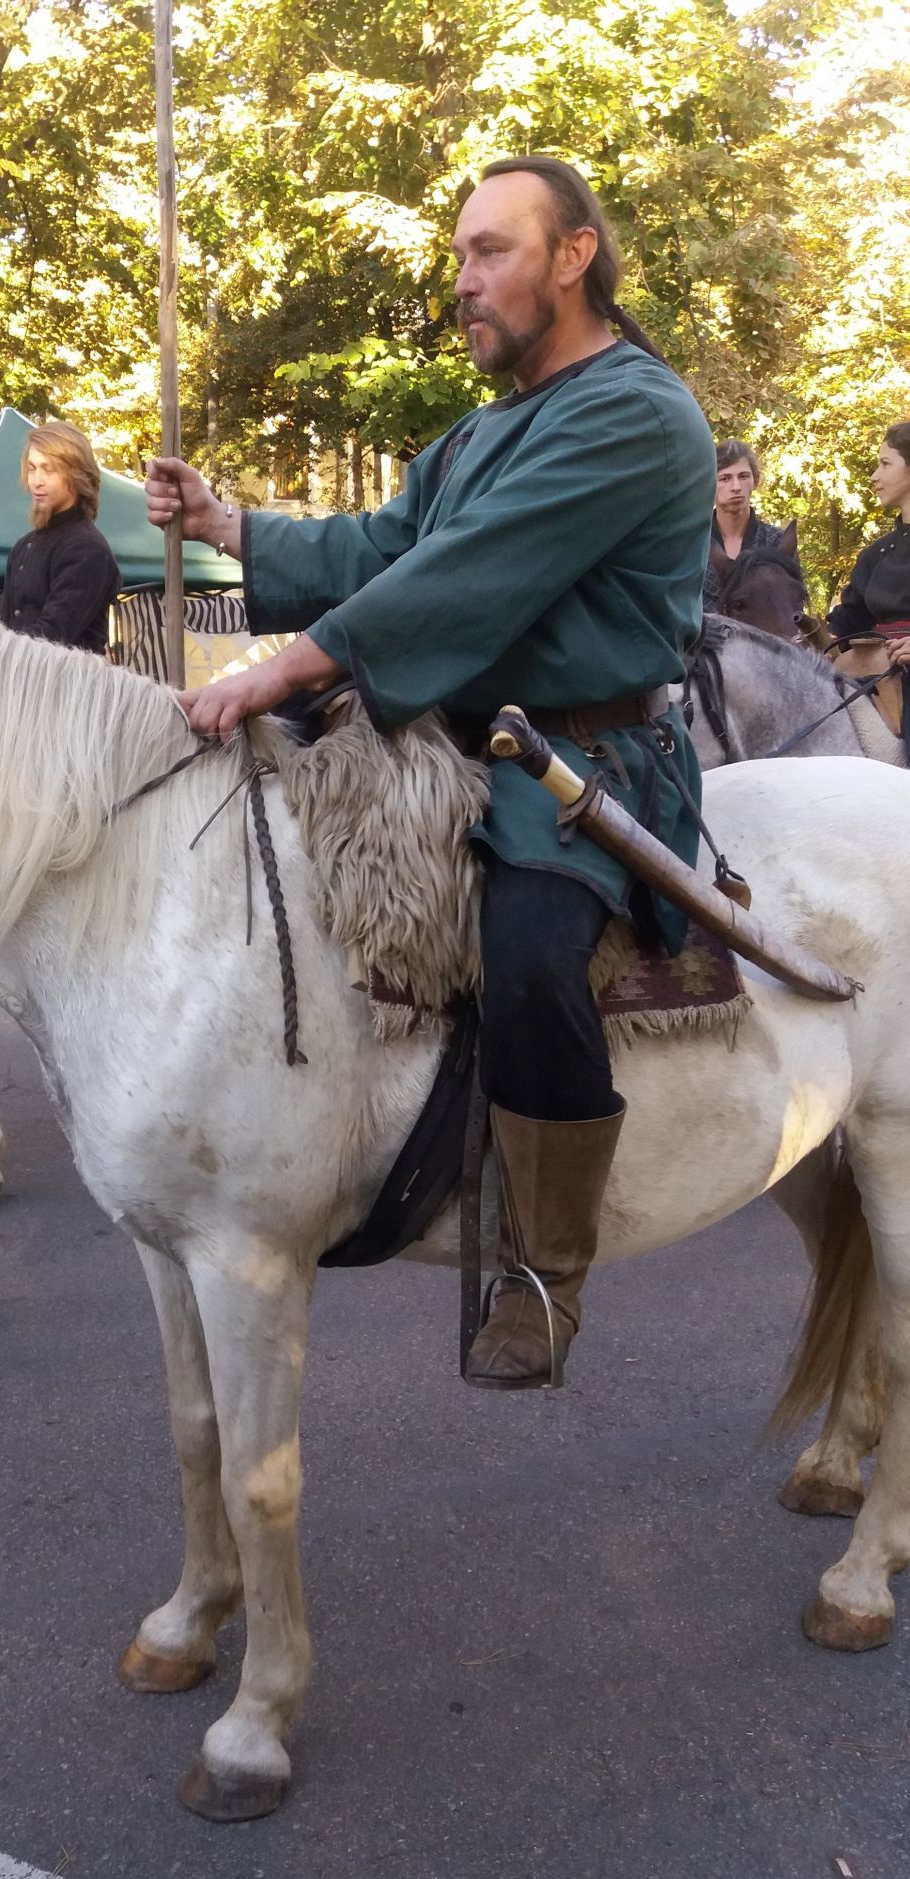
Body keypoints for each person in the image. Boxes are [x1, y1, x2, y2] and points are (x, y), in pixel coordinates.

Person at [146, 156, 715, 1390]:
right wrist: (227, 526)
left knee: (523, 962)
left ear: (574, 255)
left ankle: (543, 1271)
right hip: (443, 739)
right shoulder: (485, 426)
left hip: (576, 760)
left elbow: (459, 580)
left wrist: (276, 671)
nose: (464, 282)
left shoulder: (636, 412)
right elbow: (386, 544)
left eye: (491, 251)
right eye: (459, 257)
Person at [0, 421, 120, 654]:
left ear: (75, 475)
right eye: (32, 468)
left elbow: (52, 639)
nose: (37, 481)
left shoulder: (87, 549)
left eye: (48, 469)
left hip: (70, 686)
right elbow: (3, 628)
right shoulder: (23, 547)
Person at [827, 423, 910, 668]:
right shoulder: (876, 555)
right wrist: (822, 641)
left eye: (885, 464)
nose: (875, 475)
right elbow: (849, 621)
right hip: (878, 681)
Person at [703, 439, 791, 611]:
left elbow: (791, 605)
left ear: (755, 481)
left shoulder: (776, 541)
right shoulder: (693, 543)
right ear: (710, 484)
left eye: (743, 476)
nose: (736, 487)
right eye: (725, 478)